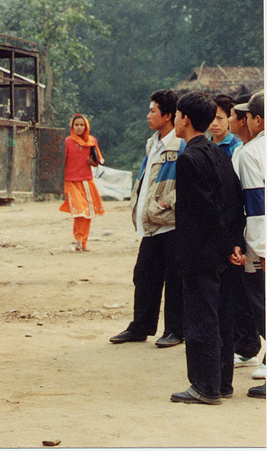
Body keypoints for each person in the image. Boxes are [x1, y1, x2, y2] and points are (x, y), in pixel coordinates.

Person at [170, 92, 246, 405]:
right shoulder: (219, 153)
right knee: (221, 317)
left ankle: (205, 386)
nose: (175, 120)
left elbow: (204, 210)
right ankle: (222, 383)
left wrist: (227, 243)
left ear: (185, 119)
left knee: (201, 318)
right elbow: (233, 201)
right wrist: (234, 244)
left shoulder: (189, 158)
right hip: (224, 252)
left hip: (201, 253)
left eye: (176, 115)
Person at [110, 90, 185, 347]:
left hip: (172, 224)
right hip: (152, 224)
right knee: (144, 275)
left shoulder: (181, 144)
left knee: (174, 280)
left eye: (153, 110)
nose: (148, 115)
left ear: (167, 115)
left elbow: (185, 185)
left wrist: (168, 203)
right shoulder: (153, 143)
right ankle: (141, 326)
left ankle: (175, 329)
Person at [233, 91, 266, 399]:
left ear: (258, 120)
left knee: (261, 306)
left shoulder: (250, 153)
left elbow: (256, 204)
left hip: (261, 243)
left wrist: (258, 248)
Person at [59, 114, 105, 251]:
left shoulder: (92, 141)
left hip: (87, 181)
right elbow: (62, 162)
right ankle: (78, 240)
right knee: (79, 211)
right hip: (71, 181)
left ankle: (83, 243)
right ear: (72, 127)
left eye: (82, 125)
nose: (79, 128)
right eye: (76, 125)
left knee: (88, 212)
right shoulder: (67, 141)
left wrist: (93, 163)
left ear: (86, 126)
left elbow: (98, 161)